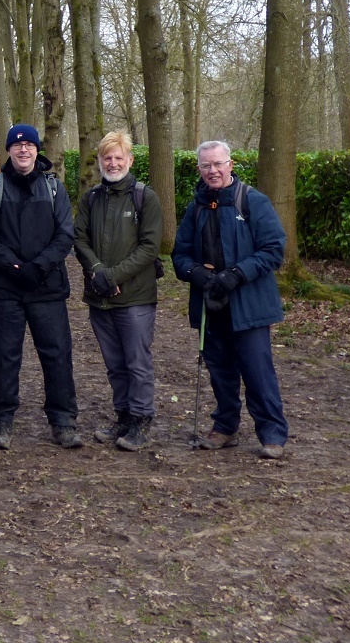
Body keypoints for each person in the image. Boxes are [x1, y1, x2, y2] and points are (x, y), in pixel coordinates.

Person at [172, 140, 290, 460]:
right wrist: (194, 273)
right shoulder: (195, 207)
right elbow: (179, 254)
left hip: (248, 303)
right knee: (220, 370)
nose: (212, 171)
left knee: (257, 371)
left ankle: (272, 434)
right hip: (211, 303)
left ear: (230, 164)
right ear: (199, 169)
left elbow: (274, 249)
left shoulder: (253, 201)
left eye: (218, 164)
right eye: (206, 166)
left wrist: (237, 274)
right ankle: (225, 428)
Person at [0, 123, 80, 450]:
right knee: (4, 355)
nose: (23, 150)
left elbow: (65, 234)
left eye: (29, 145)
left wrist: (40, 265)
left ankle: (62, 422)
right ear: (8, 150)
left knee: (57, 355)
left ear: (37, 150)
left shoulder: (54, 189)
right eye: (17, 145)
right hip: (6, 288)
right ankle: (3, 420)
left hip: (47, 286)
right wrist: (15, 266)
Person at [73, 131, 164, 452]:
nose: (113, 163)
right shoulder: (91, 198)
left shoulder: (145, 197)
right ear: (99, 162)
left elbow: (150, 246)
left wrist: (112, 276)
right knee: (114, 363)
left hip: (135, 297)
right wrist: (98, 272)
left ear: (130, 160)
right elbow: (79, 238)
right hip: (100, 297)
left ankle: (141, 420)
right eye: (107, 158)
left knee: (137, 362)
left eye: (118, 157)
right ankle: (123, 416)